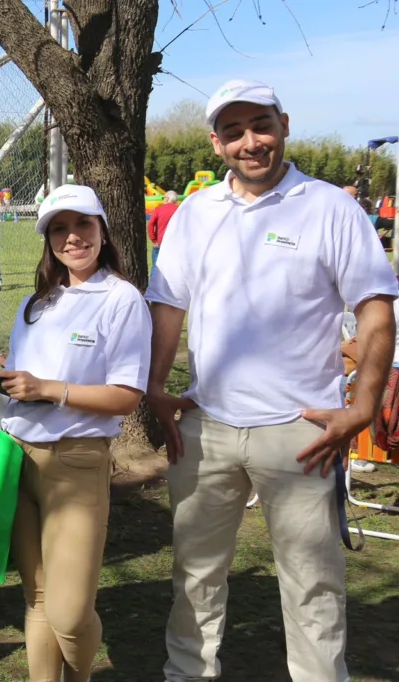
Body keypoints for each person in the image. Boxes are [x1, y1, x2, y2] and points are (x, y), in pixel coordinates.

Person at [146, 79, 397, 682]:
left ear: (284, 125)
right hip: (207, 425)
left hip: (301, 432)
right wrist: (154, 387)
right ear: (216, 143)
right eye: (233, 132)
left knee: (313, 585)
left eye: (261, 125)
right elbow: (168, 306)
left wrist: (363, 405)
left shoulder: (330, 207)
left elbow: (375, 309)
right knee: (194, 577)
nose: (250, 142)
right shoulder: (195, 213)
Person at [0, 185, 152, 682]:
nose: (72, 237)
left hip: (77, 464)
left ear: (103, 230)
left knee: (69, 613)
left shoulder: (121, 299)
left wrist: (49, 389)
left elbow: (127, 396)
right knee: (37, 599)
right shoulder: (34, 304)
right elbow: (23, 385)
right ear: (48, 240)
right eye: (59, 229)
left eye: (83, 224)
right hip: (16, 458)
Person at [147, 190, 178, 276]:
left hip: (159, 242)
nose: (163, 199)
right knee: (173, 268)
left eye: (163, 198)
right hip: (174, 243)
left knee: (155, 267)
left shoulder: (159, 209)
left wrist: (154, 240)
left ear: (167, 198)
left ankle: (154, 284)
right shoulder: (179, 209)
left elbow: (150, 224)